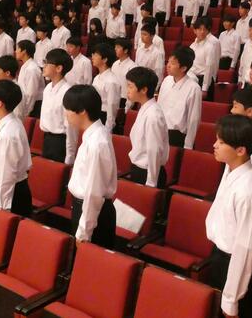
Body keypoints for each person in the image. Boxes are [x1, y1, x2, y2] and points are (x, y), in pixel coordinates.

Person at [205, 114, 252, 318]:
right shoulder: (231, 170)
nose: (215, 145)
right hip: (221, 258)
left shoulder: (250, 192)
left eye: (221, 142)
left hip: (239, 266)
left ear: (241, 150)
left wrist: (231, 300)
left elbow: (246, 249)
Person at [64, 85, 118, 249]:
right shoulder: (93, 135)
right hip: (85, 208)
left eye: (68, 110)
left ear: (82, 111)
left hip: (93, 214)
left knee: (89, 260)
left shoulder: (97, 143)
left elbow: (94, 193)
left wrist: (84, 232)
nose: (66, 114)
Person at [0, 80, 32, 216]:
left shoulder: (8, 133)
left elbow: (7, 174)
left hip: (11, 194)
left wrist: (3, 208)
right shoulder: (10, 122)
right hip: (13, 189)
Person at [125, 67, 169, 188]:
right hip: (139, 169)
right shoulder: (145, 108)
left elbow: (154, 151)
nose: (127, 90)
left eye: (130, 86)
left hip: (148, 174)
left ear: (144, 90)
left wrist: (151, 183)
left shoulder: (153, 115)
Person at [157, 46, 201, 149]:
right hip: (160, 130)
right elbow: (159, 106)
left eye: (172, 63)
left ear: (183, 68)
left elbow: (193, 119)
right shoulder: (167, 80)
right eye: (168, 61)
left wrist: (188, 145)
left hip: (176, 136)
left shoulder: (193, 88)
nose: (168, 65)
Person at [40, 49, 78, 164]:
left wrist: (70, 155)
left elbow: (71, 127)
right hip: (47, 138)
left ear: (59, 68)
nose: (44, 66)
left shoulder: (67, 92)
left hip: (60, 142)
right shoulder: (47, 88)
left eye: (47, 63)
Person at [91, 43, 120, 132]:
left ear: (105, 59)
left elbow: (112, 107)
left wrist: (108, 129)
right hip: (94, 114)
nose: (92, 57)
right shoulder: (97, 77)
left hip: (104, 116)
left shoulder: (111, 81)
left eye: (95, 55)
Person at [190, 18, 219, 97]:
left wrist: (205, 88)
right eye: (200, 29)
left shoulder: (210, 47)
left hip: (203, 80)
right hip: (193, 79)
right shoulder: (192, 46)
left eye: (205, 29)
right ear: (195, 30)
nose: (202, 32)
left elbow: (209, 68)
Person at [15, 40, 44, 118]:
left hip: (34, 106)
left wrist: (26, 111)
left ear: (24, 51)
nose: (15, 51)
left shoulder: (32, 69)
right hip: (25, 103)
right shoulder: (26, 65)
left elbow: (31, 94)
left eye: (17, 49)